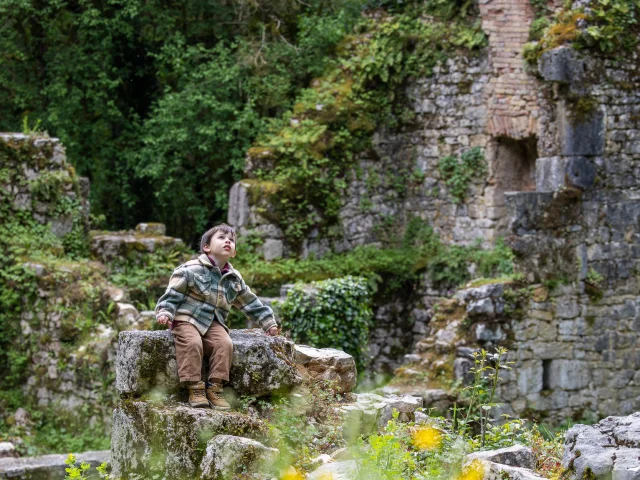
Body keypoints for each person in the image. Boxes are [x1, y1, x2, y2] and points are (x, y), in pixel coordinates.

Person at [155, 224, 279, 409]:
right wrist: (165, 311)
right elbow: (173, 294)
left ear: (234, 252)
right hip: (187, 319)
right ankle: (195, 386)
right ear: (207, 247)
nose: (227, 241)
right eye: (221, 238)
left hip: (214, 322)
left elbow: (250, 303)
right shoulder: (190, 269)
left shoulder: (234, 278)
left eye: (232, 240)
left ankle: (215, 387)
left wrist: (268, 323)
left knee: (225, 344)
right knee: (192, 343)